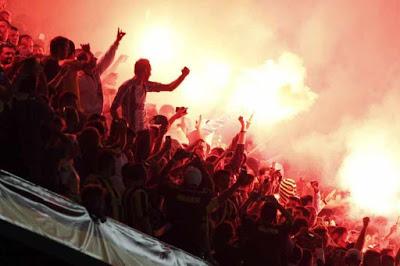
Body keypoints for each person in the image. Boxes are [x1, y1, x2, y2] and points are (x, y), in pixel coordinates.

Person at [110, 58, 190, 132]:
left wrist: (183, 76)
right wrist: (121, 126)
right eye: (150, 71)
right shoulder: (127, 86)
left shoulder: (145, 85)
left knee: (163, 121)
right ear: (145, 71)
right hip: (131, 132)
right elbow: (113, 109)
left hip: (143, 130)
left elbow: (169, 87)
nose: (150, 74)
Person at [77, 28, 125, 117]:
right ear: (84, 62)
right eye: (92, 58)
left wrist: (116, 43)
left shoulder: (95, 73)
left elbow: (106, 59)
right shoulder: (79, 78)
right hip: (84, 117)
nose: (95, 60)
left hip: (96, 115)